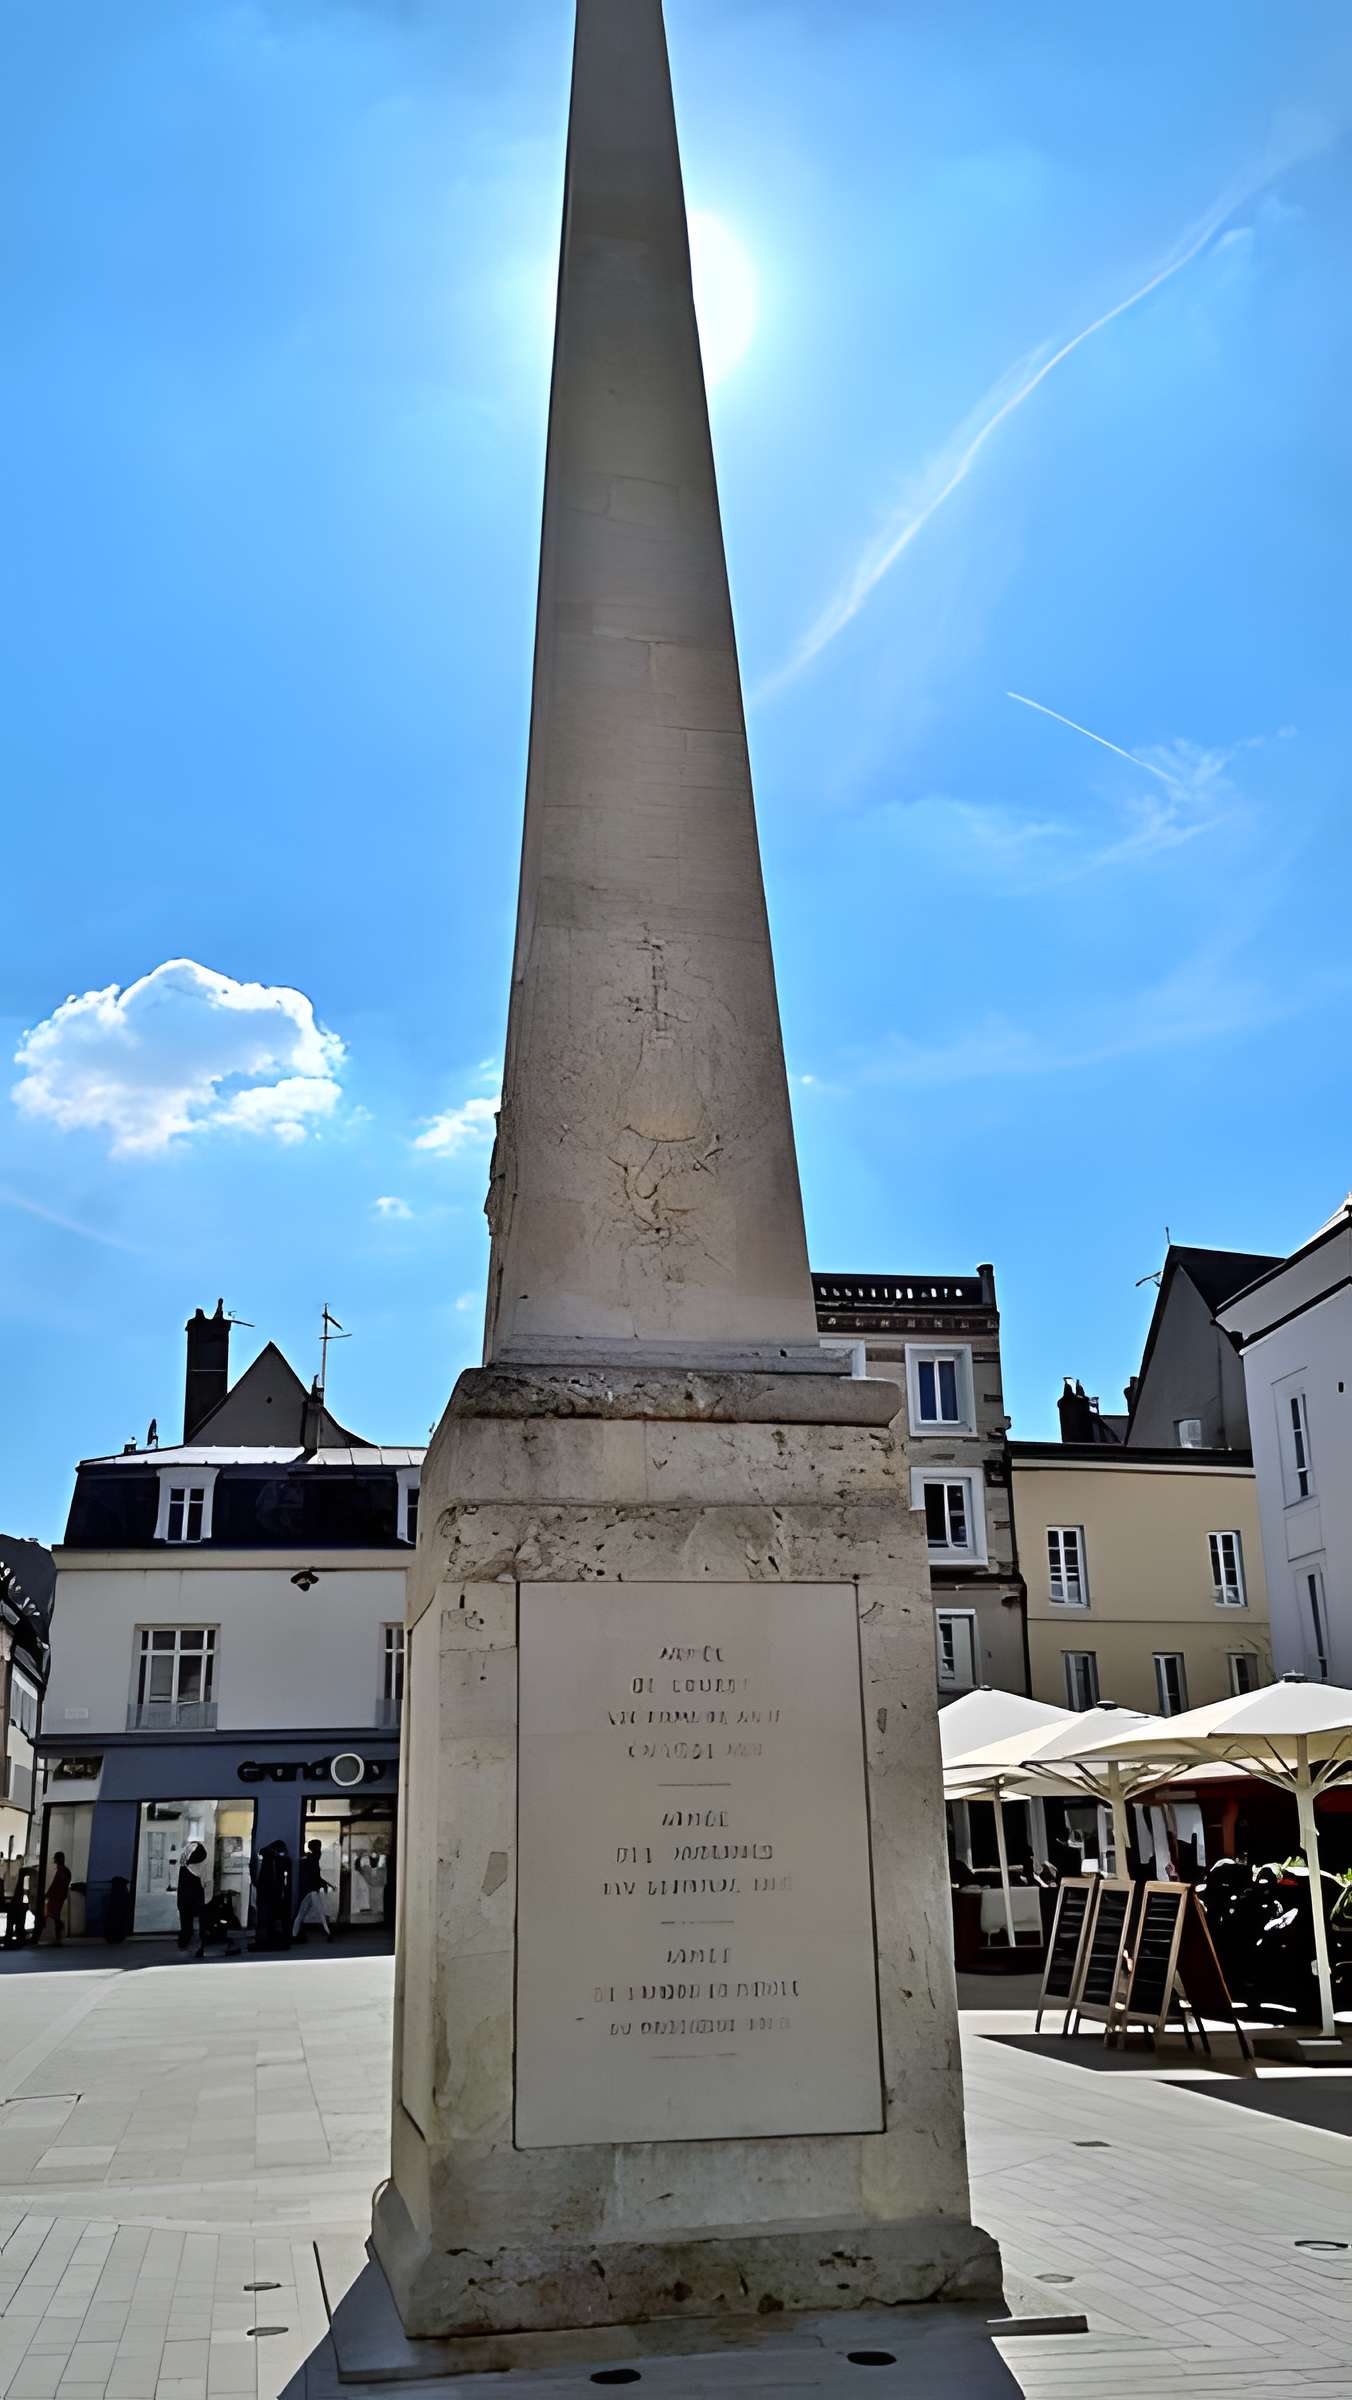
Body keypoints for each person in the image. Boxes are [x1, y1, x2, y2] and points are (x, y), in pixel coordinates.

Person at [291, 1840, 335, 1944]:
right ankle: (328, 1934)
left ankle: (293, 1935)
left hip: (308, 1891)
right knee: (320, 1913)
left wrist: (327, 1885)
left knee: (301, 1914)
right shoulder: (313, 1860)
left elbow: (315, 1876)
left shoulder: (309, 1859)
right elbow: (316, 1877)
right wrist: (326, 1885)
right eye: (319, 1847)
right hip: (312, 1891)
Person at [252, 1840, 293, 1950]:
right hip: (272, 1892)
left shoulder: (266, 1859)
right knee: (270, 1915)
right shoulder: (277, 1860)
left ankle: (265, 1937)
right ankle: (270, 1936)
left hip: (266, 1893)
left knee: (265, 1916)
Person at [177, 1841, 208, 1954]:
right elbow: (204, 1881)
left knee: (185, 1916)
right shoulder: (200, 1859)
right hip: (196, 1888)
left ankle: (186, 1939)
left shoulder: (184, 1862)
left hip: (186, 1890)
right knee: (199, 1916)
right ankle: (199, 1941)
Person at [39, 1852, 72, 1946]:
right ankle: (58, 1934)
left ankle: (58, 1932)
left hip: (56, 1897)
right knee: (54, 1915)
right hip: (59, 1897)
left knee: (51, 1914)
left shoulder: (61, 1871)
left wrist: (47, 1894)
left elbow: (55, 1884)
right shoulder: (65, 1871)